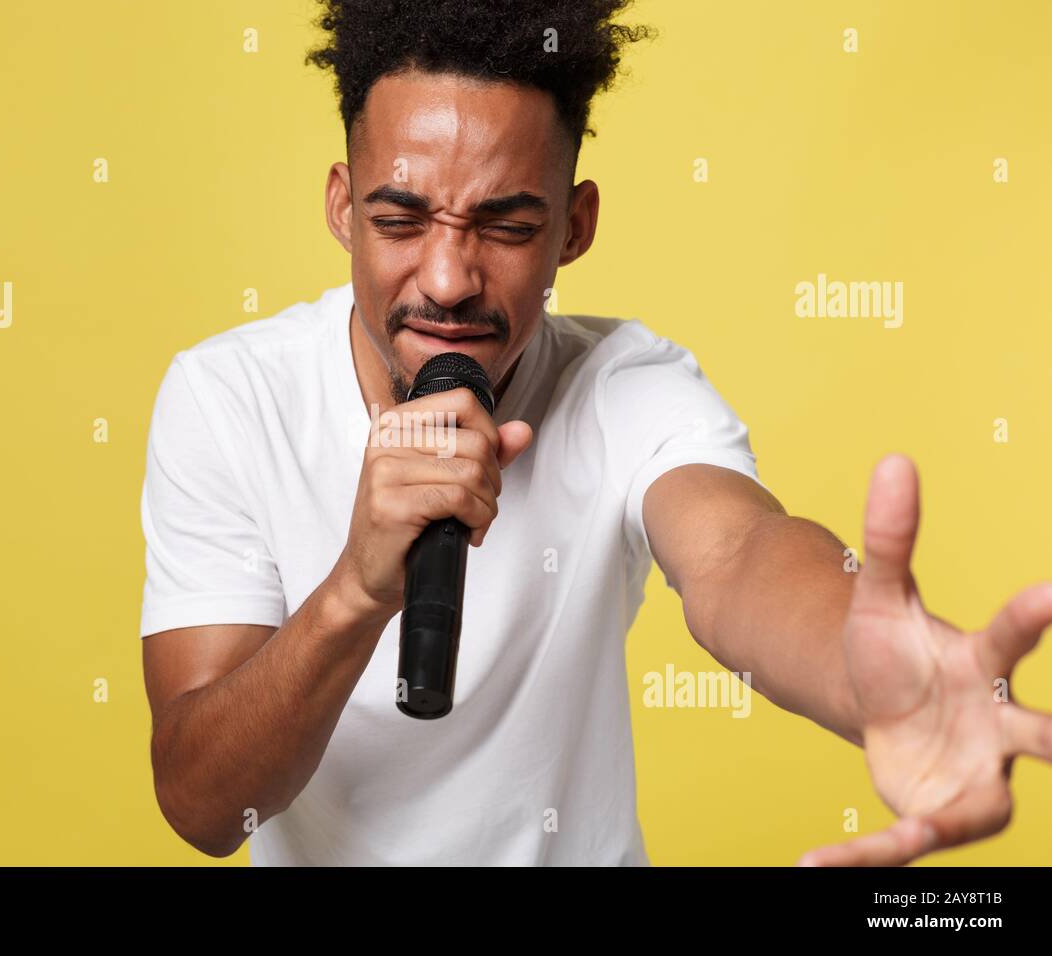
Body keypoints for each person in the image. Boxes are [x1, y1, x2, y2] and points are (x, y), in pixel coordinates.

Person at [138, 0, 1052, 865]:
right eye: (401, 220)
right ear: (342, 207)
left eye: (505, 224)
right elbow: (203, 804)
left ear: (573, 228)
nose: (450, 278)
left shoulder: (625, 383)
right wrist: (355, 589)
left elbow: (738, 553)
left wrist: (873, 680)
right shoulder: (229, 396)